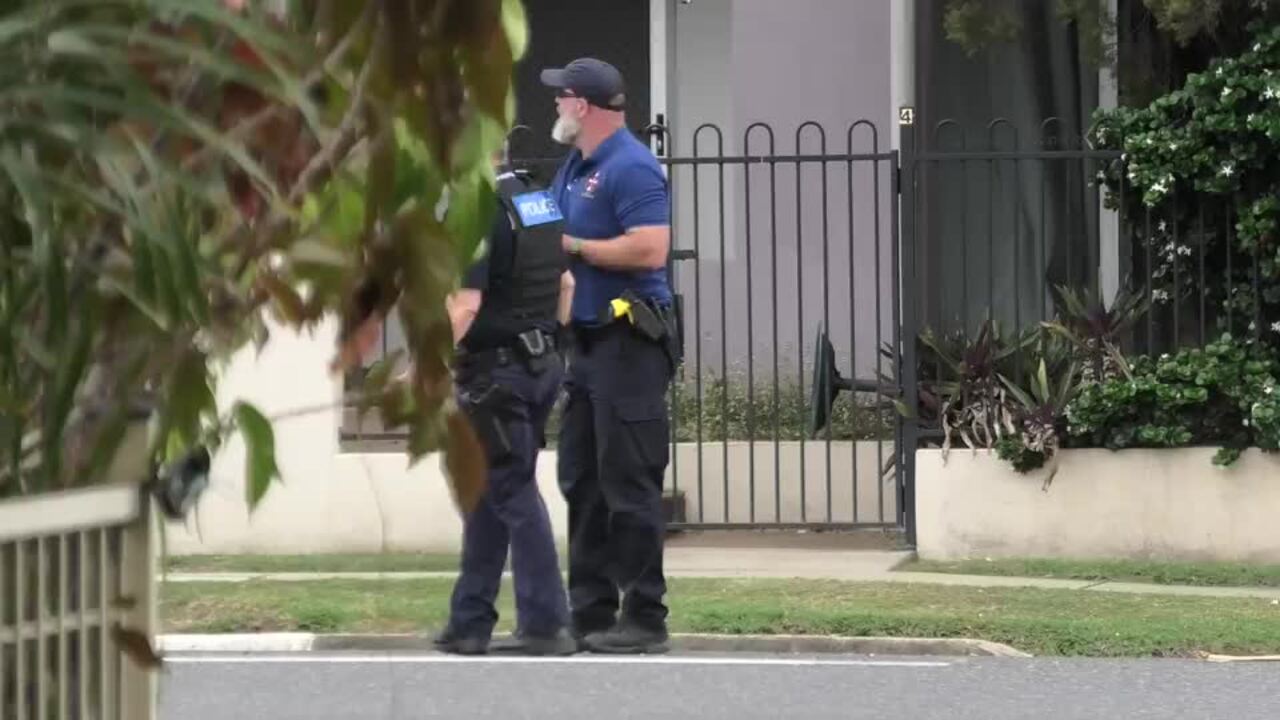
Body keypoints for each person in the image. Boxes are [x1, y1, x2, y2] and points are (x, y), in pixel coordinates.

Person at [541, 57, 678, 654]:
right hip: (587, 347)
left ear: (584, 106)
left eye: (560, 96)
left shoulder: (633, 167)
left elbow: (650, 249)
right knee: (582, 479)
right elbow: (540, 224)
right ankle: (590, 612)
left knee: (629, 482)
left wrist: (573, 245)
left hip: (630, 345)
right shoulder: (574, 166)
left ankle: (645, 617)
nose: (553, 105)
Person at [428, 149, 579, 656]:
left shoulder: (476, 207)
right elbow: (566, 283)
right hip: (540, 365)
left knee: (510, 489)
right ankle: (469, 620)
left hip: (496, 373)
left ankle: (546, 623)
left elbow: (466, 304)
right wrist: (548, 343)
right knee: (488, 492)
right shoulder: (537, 199)